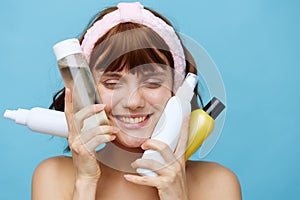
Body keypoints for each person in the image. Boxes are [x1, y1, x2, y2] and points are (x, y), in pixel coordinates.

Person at [32, 2, 242, 200]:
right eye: (112, 84)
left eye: (152, 82)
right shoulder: (53, 176)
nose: (133, 102)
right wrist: (84, 183)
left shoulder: (217, 184)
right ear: (86, 89)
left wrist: (176, 195)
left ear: (176, 92)